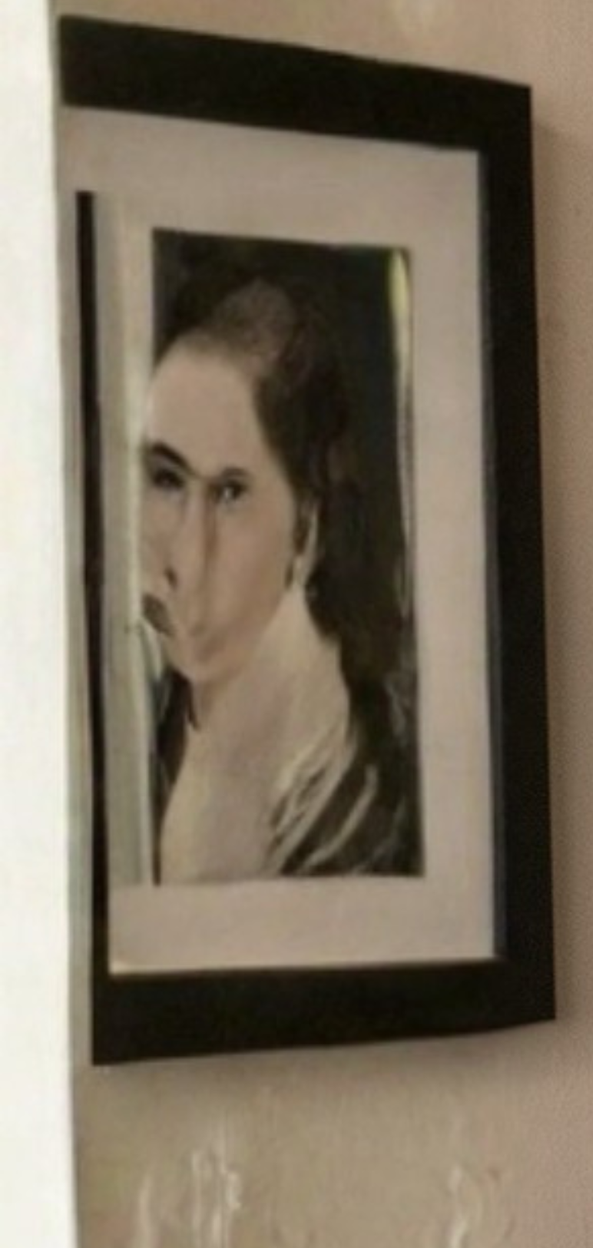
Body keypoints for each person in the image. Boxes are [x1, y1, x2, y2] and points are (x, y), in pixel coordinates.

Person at [137, 264, 419, 882]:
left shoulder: (350, 810)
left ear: (307, 531)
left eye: (231, 494)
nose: (187, 552)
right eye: (166, 479)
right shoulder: (156, 712)